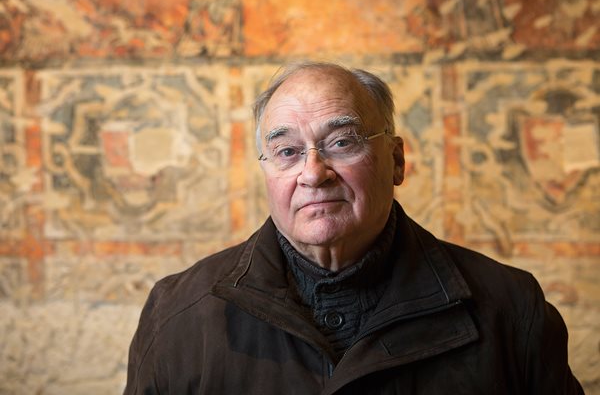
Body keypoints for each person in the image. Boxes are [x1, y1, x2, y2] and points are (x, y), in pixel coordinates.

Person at [124, 61, 583, 394]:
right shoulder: (179, 314)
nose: (313, 172)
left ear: (397, 160)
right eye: (287, 152)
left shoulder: (510, 307)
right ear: (266, 170)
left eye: (342, 142)